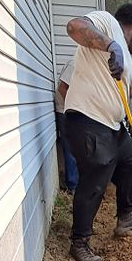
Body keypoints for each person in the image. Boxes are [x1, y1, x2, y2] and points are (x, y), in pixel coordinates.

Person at [64, 3, 132, 261]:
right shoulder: (105, 22)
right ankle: (79, 243)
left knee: (129, 162)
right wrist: (110, 45)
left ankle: (125, 217)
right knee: (95, 179)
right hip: (87, 119)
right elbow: (74, 27)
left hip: (113, 127)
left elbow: (129, 97)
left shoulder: (130, 61)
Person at [54, 61, 78, 194]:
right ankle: (73, 186)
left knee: (75, 148)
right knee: (70, 148)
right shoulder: (74, 65)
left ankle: (75, 182)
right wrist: (73, 106)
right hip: (65, 111)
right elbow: (62, 89)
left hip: (71, 111)